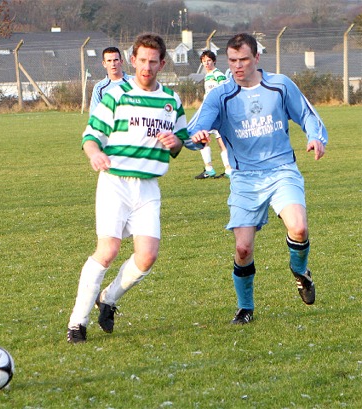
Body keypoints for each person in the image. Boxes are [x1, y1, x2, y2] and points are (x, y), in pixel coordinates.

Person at [190, 33, 328, 324]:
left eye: (243, 59)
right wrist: (197, 137)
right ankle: (245, 308)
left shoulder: (279, 85)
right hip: (244, 178)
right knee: (243, 249)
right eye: (232, 60)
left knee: (299, 228)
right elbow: (195, 128)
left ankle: (300, 271)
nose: (237, 66)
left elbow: (307, 114)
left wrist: (315, 137)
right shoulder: (220, 95)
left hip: (282, 170)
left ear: (256, 58)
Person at [67, 33, 195, 344]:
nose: (147, 67)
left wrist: (175, 142)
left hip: (148, 187)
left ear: (162, 64)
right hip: (115, 183)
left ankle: (108, 299)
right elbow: (90, 136)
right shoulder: (116, 96)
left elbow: (180, 142)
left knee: (147, 257)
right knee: (108, 251)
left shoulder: (171, 101)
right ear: (133, 60)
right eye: (142, 61)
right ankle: (77, 323)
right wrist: (94, 154)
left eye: (153, 62)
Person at [189, 50, 232, 179]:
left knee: (220, 141)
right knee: (203, 139)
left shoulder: (218, 74)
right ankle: (209, 169)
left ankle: (228, 170)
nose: (206, 63)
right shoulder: (207, 76)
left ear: (214, 61)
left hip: (217, 114)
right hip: (208, 113)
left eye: (209, 60)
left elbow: (225, 91)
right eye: (204, 61)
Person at [89, 46, 132, 115]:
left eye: (116, 60)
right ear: (104, 64)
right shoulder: (99, 88)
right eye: (109, 61)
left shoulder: (135, 82)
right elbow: (94, 115)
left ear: (121, 62)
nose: (113, 64)